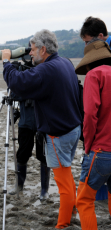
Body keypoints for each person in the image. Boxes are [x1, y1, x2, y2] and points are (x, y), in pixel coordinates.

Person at [2, 29, 82, 229]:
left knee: (63, 183)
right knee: (67, 174)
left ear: (44, 49)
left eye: (33, 48)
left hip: (59, 133)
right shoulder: (65, 62)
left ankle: (62, 224)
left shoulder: (46, 70)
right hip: (73, 128)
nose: (30, 52)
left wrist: (6, 63)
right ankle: (71, 211)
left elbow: (18, 83)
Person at [74, 40, 111, 230]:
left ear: (89, 61)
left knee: (84, 201)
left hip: (101, 149)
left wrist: (87, 145)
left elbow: (89, 114)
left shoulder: (94, 75)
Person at [9, 92, 50, 200]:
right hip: (25, 123)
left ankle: (44, 190)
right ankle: (19, 185)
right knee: (22, 154)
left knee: (44, 156)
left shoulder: (43, 76)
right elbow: (12, 93)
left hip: (42, 123)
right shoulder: (22, 77)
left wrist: (30, 94)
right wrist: (29, 94)